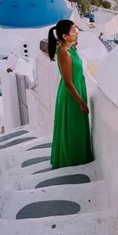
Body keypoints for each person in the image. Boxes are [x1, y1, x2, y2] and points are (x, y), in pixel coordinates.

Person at [48, 19, 94, 169]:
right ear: (65, 36)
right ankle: (73, 160)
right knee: (73, 128)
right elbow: (68, 82)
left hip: (76, 90)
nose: (76, 33)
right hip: (71, 95)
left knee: (76, 127)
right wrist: (81, 103)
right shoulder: (65, 54)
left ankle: (77, 158)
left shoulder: (70, 49)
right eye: (73, 31)